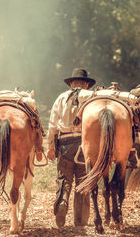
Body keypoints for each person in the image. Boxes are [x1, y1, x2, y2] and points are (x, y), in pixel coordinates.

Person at [47, 68, 95, 228]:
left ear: (72, 84)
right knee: (83, 181)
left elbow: (53, 125)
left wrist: (50, 147)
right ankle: (80, 221)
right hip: (84, 145)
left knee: (64, 179)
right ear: (86, 84)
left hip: (65, 144)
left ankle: (62, 202)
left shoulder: (61, 98)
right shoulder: (91, 97)